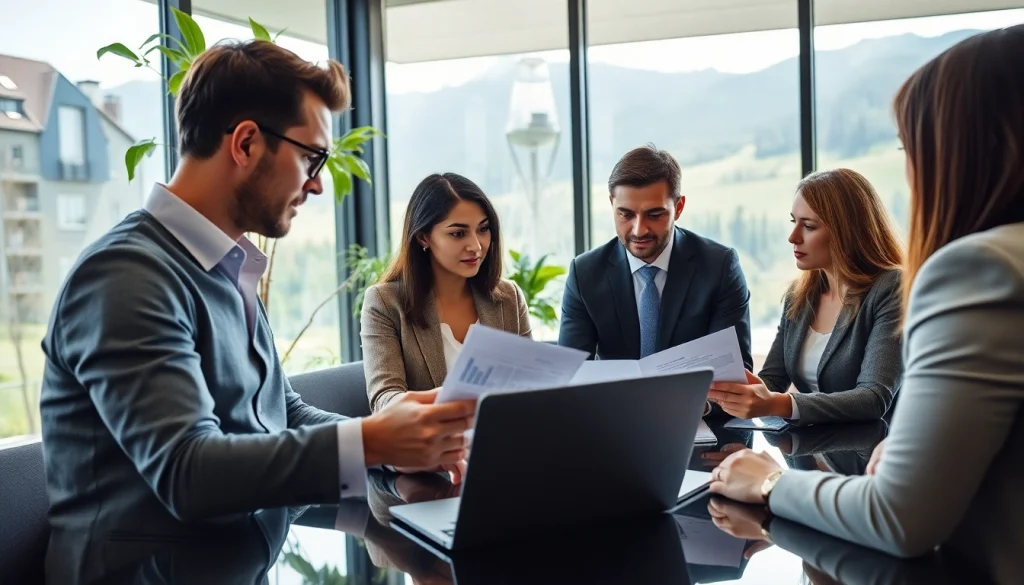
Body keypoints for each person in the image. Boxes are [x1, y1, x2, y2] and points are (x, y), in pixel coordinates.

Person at [38, 41, 474, 583]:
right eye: (311, 157)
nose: (317, 183)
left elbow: (282, 413)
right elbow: (187, 472)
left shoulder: (225, 264)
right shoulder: (125, 277)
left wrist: (395, 446)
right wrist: (375, 440)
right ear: (245, 142)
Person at [709, 25, 1024, 582]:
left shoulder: (974, 272)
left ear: (963, 150)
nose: (911, 169)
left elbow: (899, 515)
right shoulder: (801, 294)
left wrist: (769, 480)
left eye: (912, 149)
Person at [707, 168, 904, 425]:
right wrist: (712, 402)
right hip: (809, 451)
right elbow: (772, 382)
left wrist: (778, 403)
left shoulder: (891, 288)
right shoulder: (799, 296)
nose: (793, 237)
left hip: (872, 455)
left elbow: (873, 398)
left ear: (847, 231)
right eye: (794, 222)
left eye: (808, 226)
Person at [558, 144, 753, 371]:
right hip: (612, 406)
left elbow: (733, 371)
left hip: (693, 406)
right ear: (612, 204)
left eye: (654, 214)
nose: (639, 230)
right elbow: (569, 376)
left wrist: (699, 406)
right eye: (626, 214)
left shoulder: (719, 267)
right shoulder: (585, 274)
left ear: (678, 208)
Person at [361, 172, 531, 412]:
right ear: (423, 237)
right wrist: (455, 398)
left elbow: (533, 383)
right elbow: (384, 399)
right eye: (458, 233)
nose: (476, 246)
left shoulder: (508, 297)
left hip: (503, 438)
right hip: (432, 444)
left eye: (483, 229)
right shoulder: (385, 303)